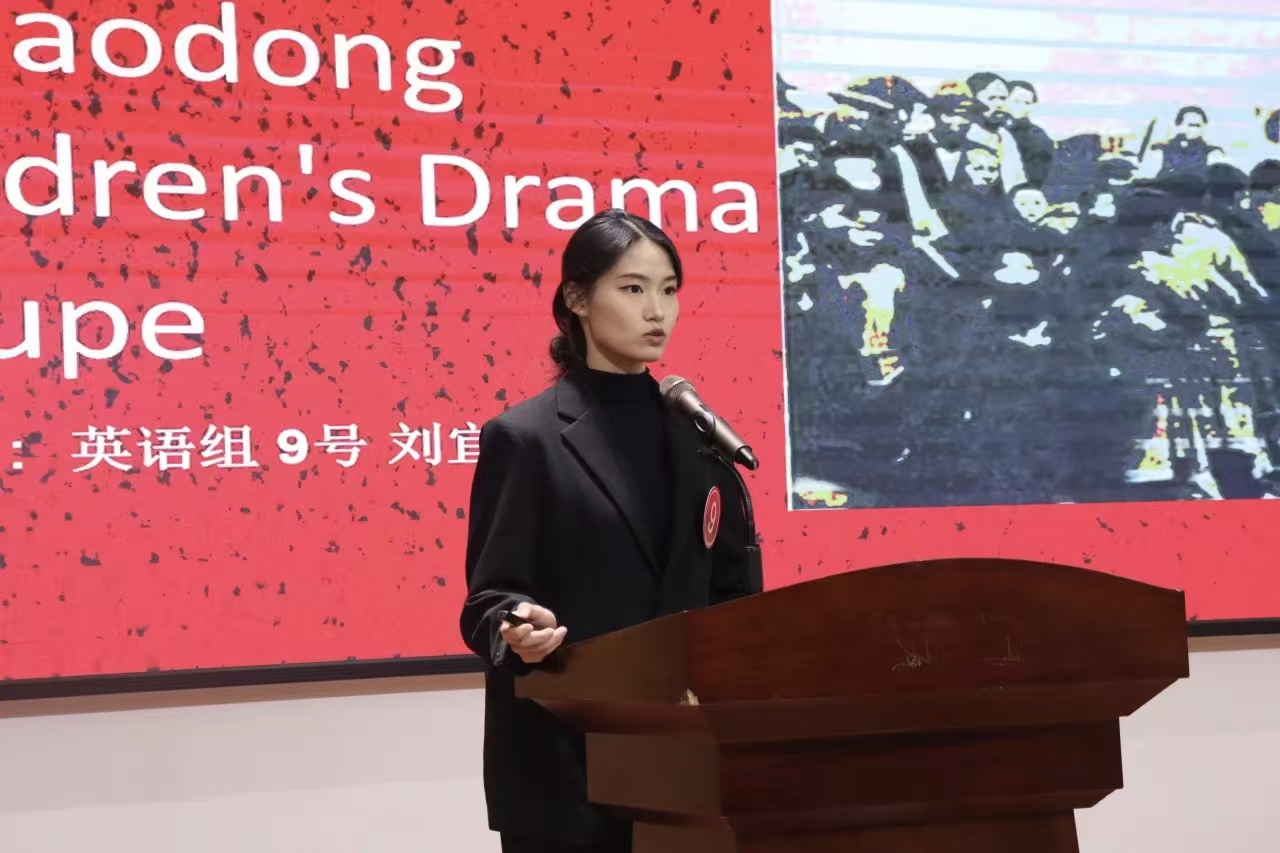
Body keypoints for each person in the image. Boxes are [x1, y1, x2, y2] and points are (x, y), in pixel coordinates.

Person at [459, 208, 761, 853]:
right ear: (577, 299)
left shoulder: (698, 435)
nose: (657, 310)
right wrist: (519, 626)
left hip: (677, 766)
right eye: (632, 288)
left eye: (669, 290)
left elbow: (732, 593)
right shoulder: (526, 438)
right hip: (566, 771)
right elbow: (488, 601)